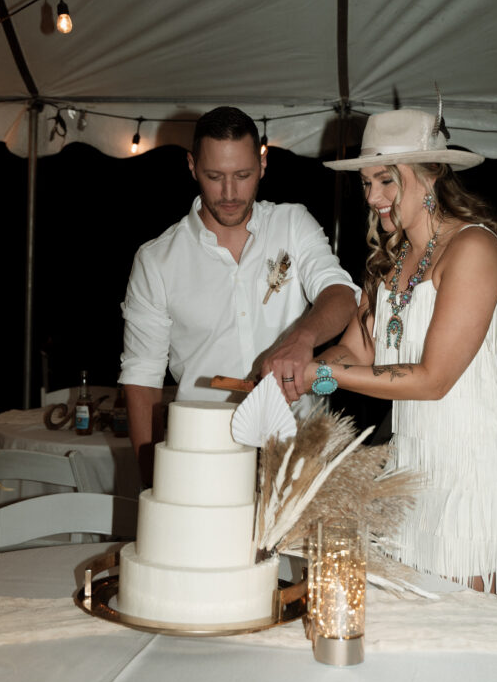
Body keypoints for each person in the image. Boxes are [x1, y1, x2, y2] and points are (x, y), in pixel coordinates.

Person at [300, 108, 497, 594]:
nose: (372, 197)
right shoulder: (388, 261)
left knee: (460, 632)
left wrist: (317, 374)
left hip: (478, 465)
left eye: (386, 181)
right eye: (367, 182)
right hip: (413, 463)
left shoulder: (474, 248)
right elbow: (354, 352)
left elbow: (433, 380)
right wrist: (307, 373)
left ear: (431, 175)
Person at [120, 106, 358, 484]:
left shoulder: (292, 223)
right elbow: (142, 378)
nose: (229, 193)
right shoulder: (156, 260)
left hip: (298, 447)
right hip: (204, 451)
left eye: (243, 175)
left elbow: (341, 293)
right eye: (214, 176)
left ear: (262, 165)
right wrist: (154, 486)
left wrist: (301, 339)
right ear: (192, 166)